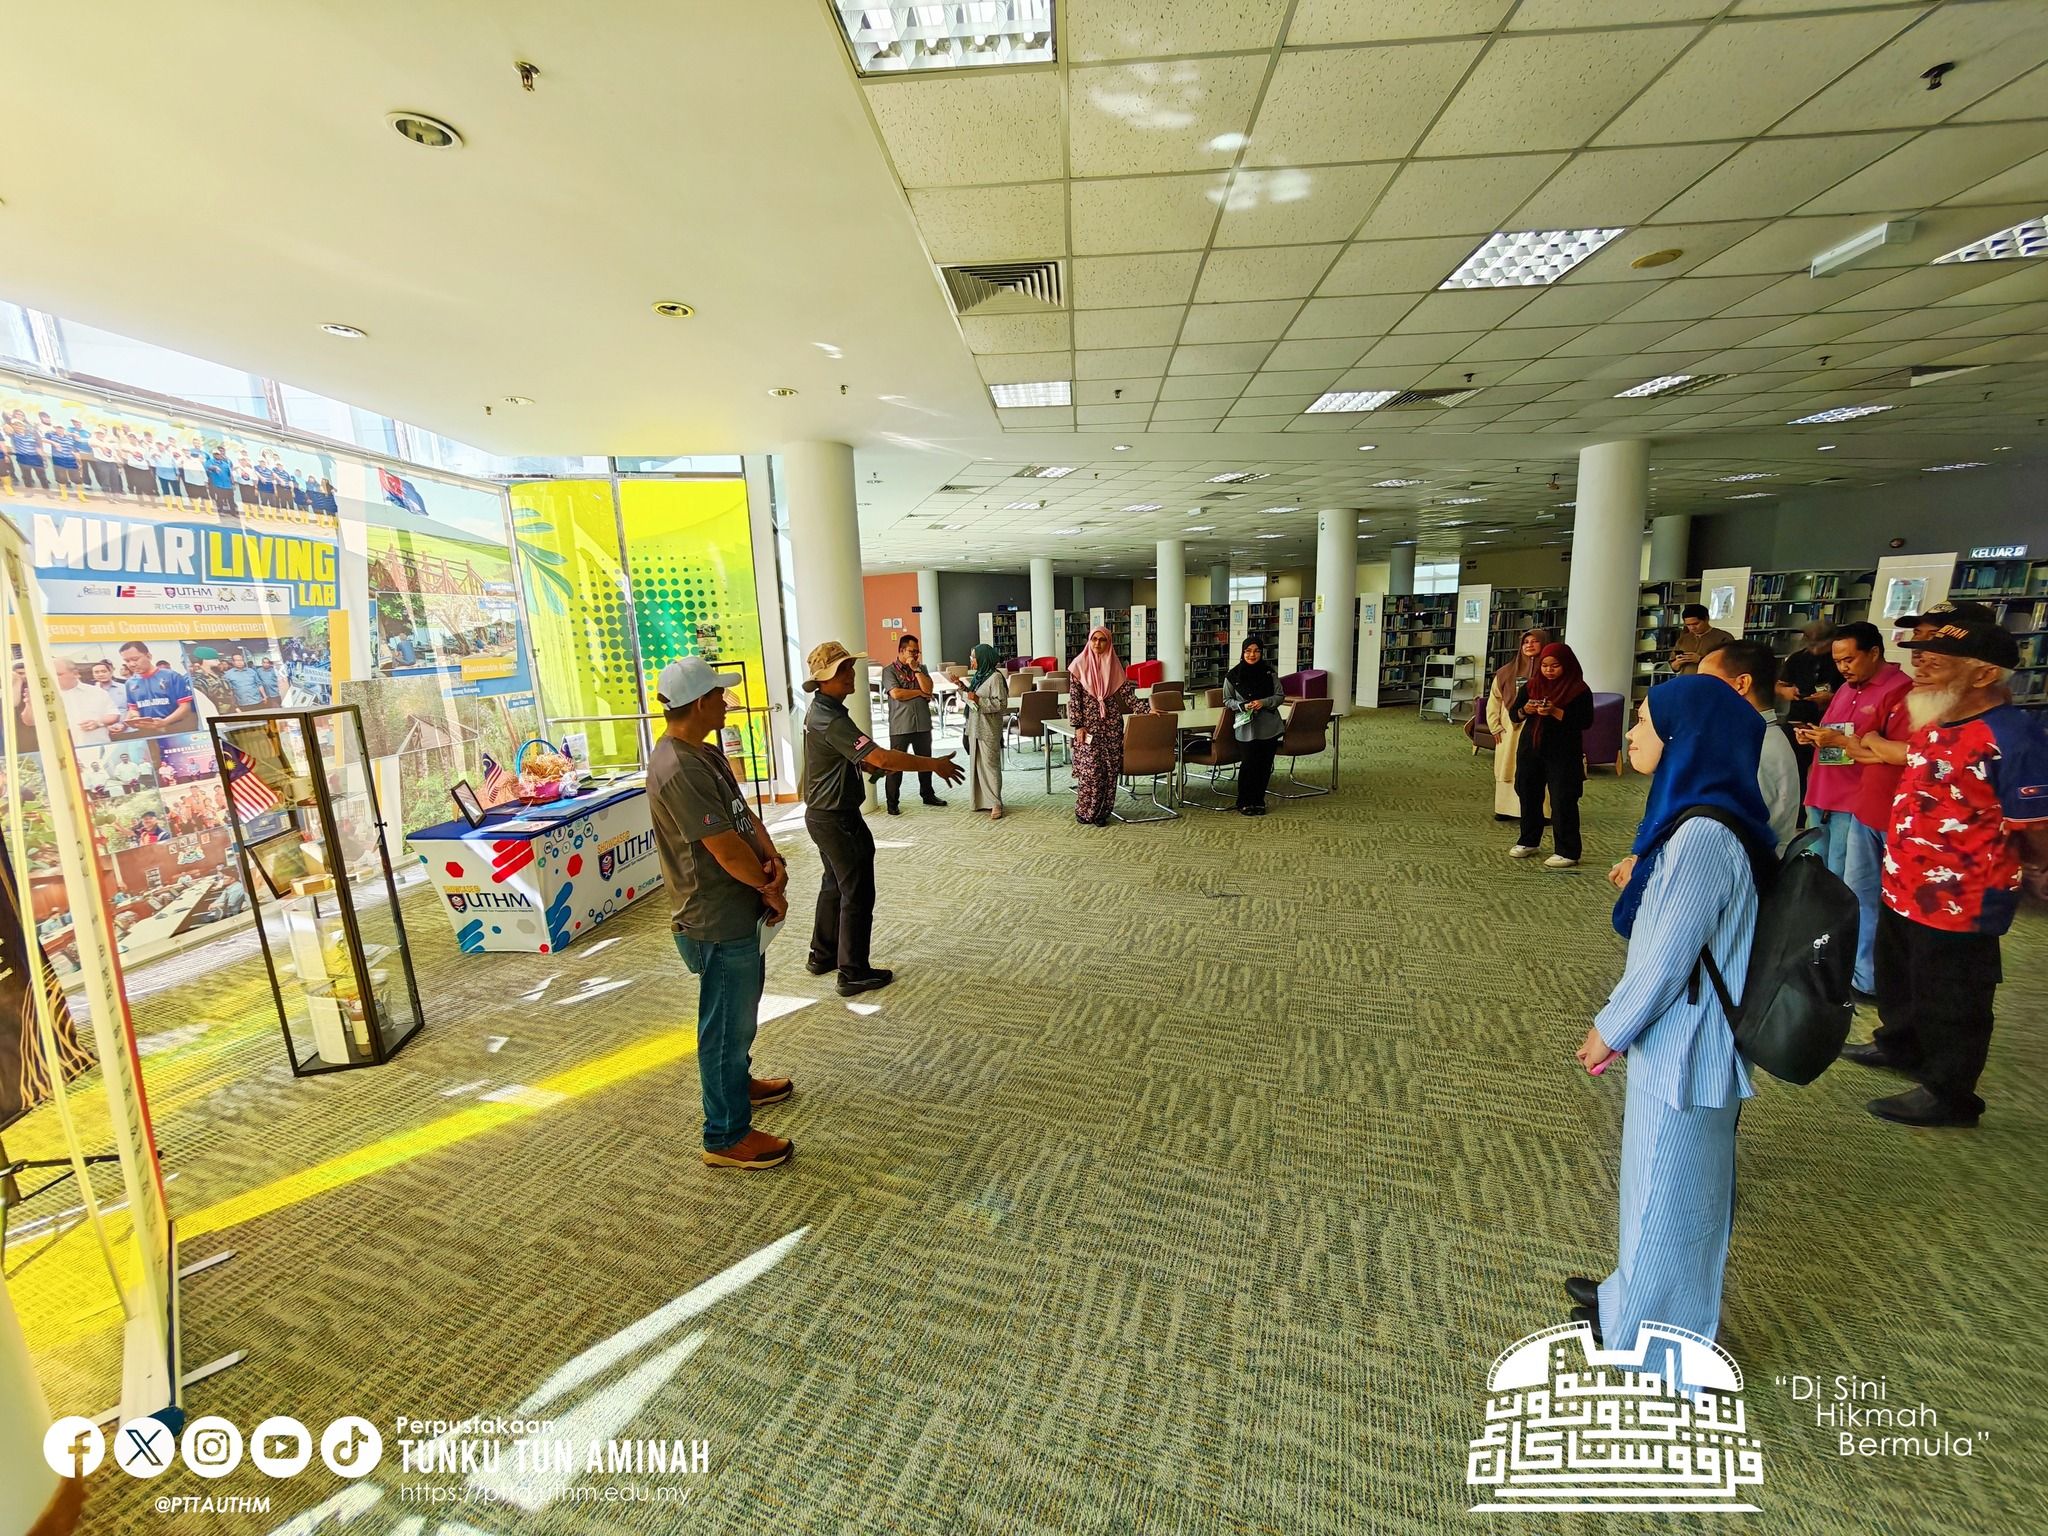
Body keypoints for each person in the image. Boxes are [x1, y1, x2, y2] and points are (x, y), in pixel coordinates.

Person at [1570, 677, 1775, 1365]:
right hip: (1684, 1033)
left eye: (1645, 722)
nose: (1631, 734)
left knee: (1672, 1197)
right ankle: (1629, 1302)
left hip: (1689, 1043)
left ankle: (1666, 1347)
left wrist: (1610, 1028)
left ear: (1686, 737)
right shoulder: (1703, 821)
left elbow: (1666, 958)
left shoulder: (1704, 838)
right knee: (1656, 1187)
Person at [1839, 619, 2048, 1128]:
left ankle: (1950, 1094)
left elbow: (2037, 824)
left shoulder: (2013, 737)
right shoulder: (1935, 721)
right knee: (1900, 975)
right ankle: (1900, 1044)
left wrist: (2038, 868)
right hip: (1904, 882)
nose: (1919, 668)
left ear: (1983, 674)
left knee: (1953, 993)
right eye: (1918, 657)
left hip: (1962, 897)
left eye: (1936, 662)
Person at [648, 655, 796, 1171]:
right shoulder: (678, 767)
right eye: (720, 695)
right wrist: (769, 887)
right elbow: (725, 850)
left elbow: (743, 816)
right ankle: (726, 1135)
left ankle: (738, 1084)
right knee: (724, 1029)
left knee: (740, 1015)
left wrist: (774, 861)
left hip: (737, 905)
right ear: (699, 703)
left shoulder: (704, 753)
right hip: (714, 917)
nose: (728, 702)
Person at [800, 640, 962, 996]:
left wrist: (867, 765)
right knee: (856, 892)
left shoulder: (824, 711)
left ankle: (822, 955)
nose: (850, 674)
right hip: (837, 818)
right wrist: (932, 764)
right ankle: (852, 972)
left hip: (823, 814)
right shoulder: (831, 718)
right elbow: (884, 759)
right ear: (823, 679)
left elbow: (854, 758)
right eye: (841, 670)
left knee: (834, 883)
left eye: (849, 667)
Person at [1794, 621, 1910, 999]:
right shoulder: (1846, 689)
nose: (1842, 667)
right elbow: (1838, 736)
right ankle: (1826, 959)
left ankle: (1860, 973)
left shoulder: (1898, 691)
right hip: (1822, 795)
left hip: (1855, 803)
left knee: (1852, 891)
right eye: (1838, 660)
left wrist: (1842, 741)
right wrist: (1815, 737)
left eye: (1849, 659)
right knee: (1821, 884)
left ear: (1874, 652)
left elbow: (1888, 755)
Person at [1700, 640, 1800, 849]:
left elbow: (1725, 832)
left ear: (1742, 684)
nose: (1697, 692)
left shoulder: (1753, 748)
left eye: (1706, 683)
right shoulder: (1757, 737)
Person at [1509, 642, 1592, 868]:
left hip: (1563, 752)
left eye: (1555, 666)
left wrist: (1555, 711)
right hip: (1531, 749)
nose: (1549, 670)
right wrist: (1526, 710)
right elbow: (1514, 714)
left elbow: (1585, 721)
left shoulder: (1578, 689)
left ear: (1566, 665)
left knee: (1562, 799)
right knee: (1528, 794)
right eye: (1545, 665)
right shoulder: (1531, 685)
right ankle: (1528, 840)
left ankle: (1567, 850)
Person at [1067, 626, 1148, 827]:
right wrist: (1078, 725)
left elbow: (1128, 696)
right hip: (1088, 727)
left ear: (1108, 643)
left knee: (1110, 771)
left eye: (1102, 640)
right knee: (1091, 771)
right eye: (1094, 639)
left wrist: (1147, 710)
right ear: (1089, 641)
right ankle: (1085, 811)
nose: (1097, 643)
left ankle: (1103, 813)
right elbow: (1074, 699)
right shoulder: (1078, 665)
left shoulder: (1114, 665)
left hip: (1111, 725)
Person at [1485, 626, 1551, 822]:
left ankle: (1541, 812)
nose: (1529, 645)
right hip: (1509, 728)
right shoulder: (1506, 672)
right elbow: (1494, 700)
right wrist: (1495, 726)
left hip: (1539, 726)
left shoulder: (1550, 671)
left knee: (1537, 768)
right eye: (1525, 642)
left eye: (1535, 641)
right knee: (1508, 765)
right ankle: (1505, 808)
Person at [880, 633, 944, 815]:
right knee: (896, 765)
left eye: (917, 652)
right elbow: (896, 694)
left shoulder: (921, 669)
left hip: (922, 723)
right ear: (901, 650)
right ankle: (892, 802)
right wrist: (918, 693)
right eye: (912, 651)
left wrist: (916, 671)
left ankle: (928, 795)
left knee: (925, 761)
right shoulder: (889, 671)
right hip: (901, 725)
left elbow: (928, 689)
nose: (915, 655)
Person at [1775, 620, 1840, 790]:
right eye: (1811, 644)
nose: (1815, 649)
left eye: (1820, 645)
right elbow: (1778, 686)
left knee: (1828, 772)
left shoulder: (1840, 660)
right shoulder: (1798, 658)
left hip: (1831, 726)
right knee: (1795, 770)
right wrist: (1786, 691)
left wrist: (1832, 698)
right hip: (1799, 722)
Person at [1223, 637, 1284, 815]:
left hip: (1269, 726)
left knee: (1264, 765)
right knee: (1248, 764)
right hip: (1246, 727)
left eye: (1256, 651)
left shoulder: (1269, 673)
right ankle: (1244, 801)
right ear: (1243, 653)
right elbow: (1227, 700)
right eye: (1248, 651)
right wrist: (1242, 705)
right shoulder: (1233, 676)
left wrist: (1263, 702)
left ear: (1261, 653)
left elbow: (1280, 696)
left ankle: (1258, 800)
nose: (1252, 655)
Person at [961, 642, 1009, 819]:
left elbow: (1001, 704)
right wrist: (962, 688)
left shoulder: (995, 678)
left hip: (988, 728)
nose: (971, 661)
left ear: (983, 659)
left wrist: (978, 700)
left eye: (974, 658)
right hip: (975, 726)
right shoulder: (979, 676)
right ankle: (981, 801)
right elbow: (972, 697)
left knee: (990, 765)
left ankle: (996, 803)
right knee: (977, 765)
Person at [116, 641, 195, 735]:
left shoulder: (172, 676)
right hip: (148, 733)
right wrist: (134, 719)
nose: (132, 664)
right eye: (127, 661)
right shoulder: (130, 683)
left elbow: (185, 707)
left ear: (149, 656)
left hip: (177, 729)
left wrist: (165, 722)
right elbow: (133, 709)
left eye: (135, 659)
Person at [51, 656, 122, 747]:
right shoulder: (48, 698)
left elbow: (114, 714)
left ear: (75, 673)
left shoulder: (97, 692)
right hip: (66, 749)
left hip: (98, 746)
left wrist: (98, 722)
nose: (54, 678)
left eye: (59, 674)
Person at [1670, 604, 1732, 675]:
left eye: (1696, 624)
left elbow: (1730, 664)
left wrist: (1700, 659)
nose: (1692, 628)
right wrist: (1678, 663)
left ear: (1706, 619)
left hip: (1711, 679)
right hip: (1686, 679)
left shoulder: (1723, 637)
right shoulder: (1684, 639)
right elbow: (1673, 667)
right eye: (1688, 625)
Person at [188, 646, 237, 720]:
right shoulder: (198, 680)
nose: (218, 662)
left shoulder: (220, 676)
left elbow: (229, 694)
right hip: (215, 717)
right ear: (204, 660)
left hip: (231, 713)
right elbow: (202, 704)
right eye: (215, 659)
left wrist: (236, 708)